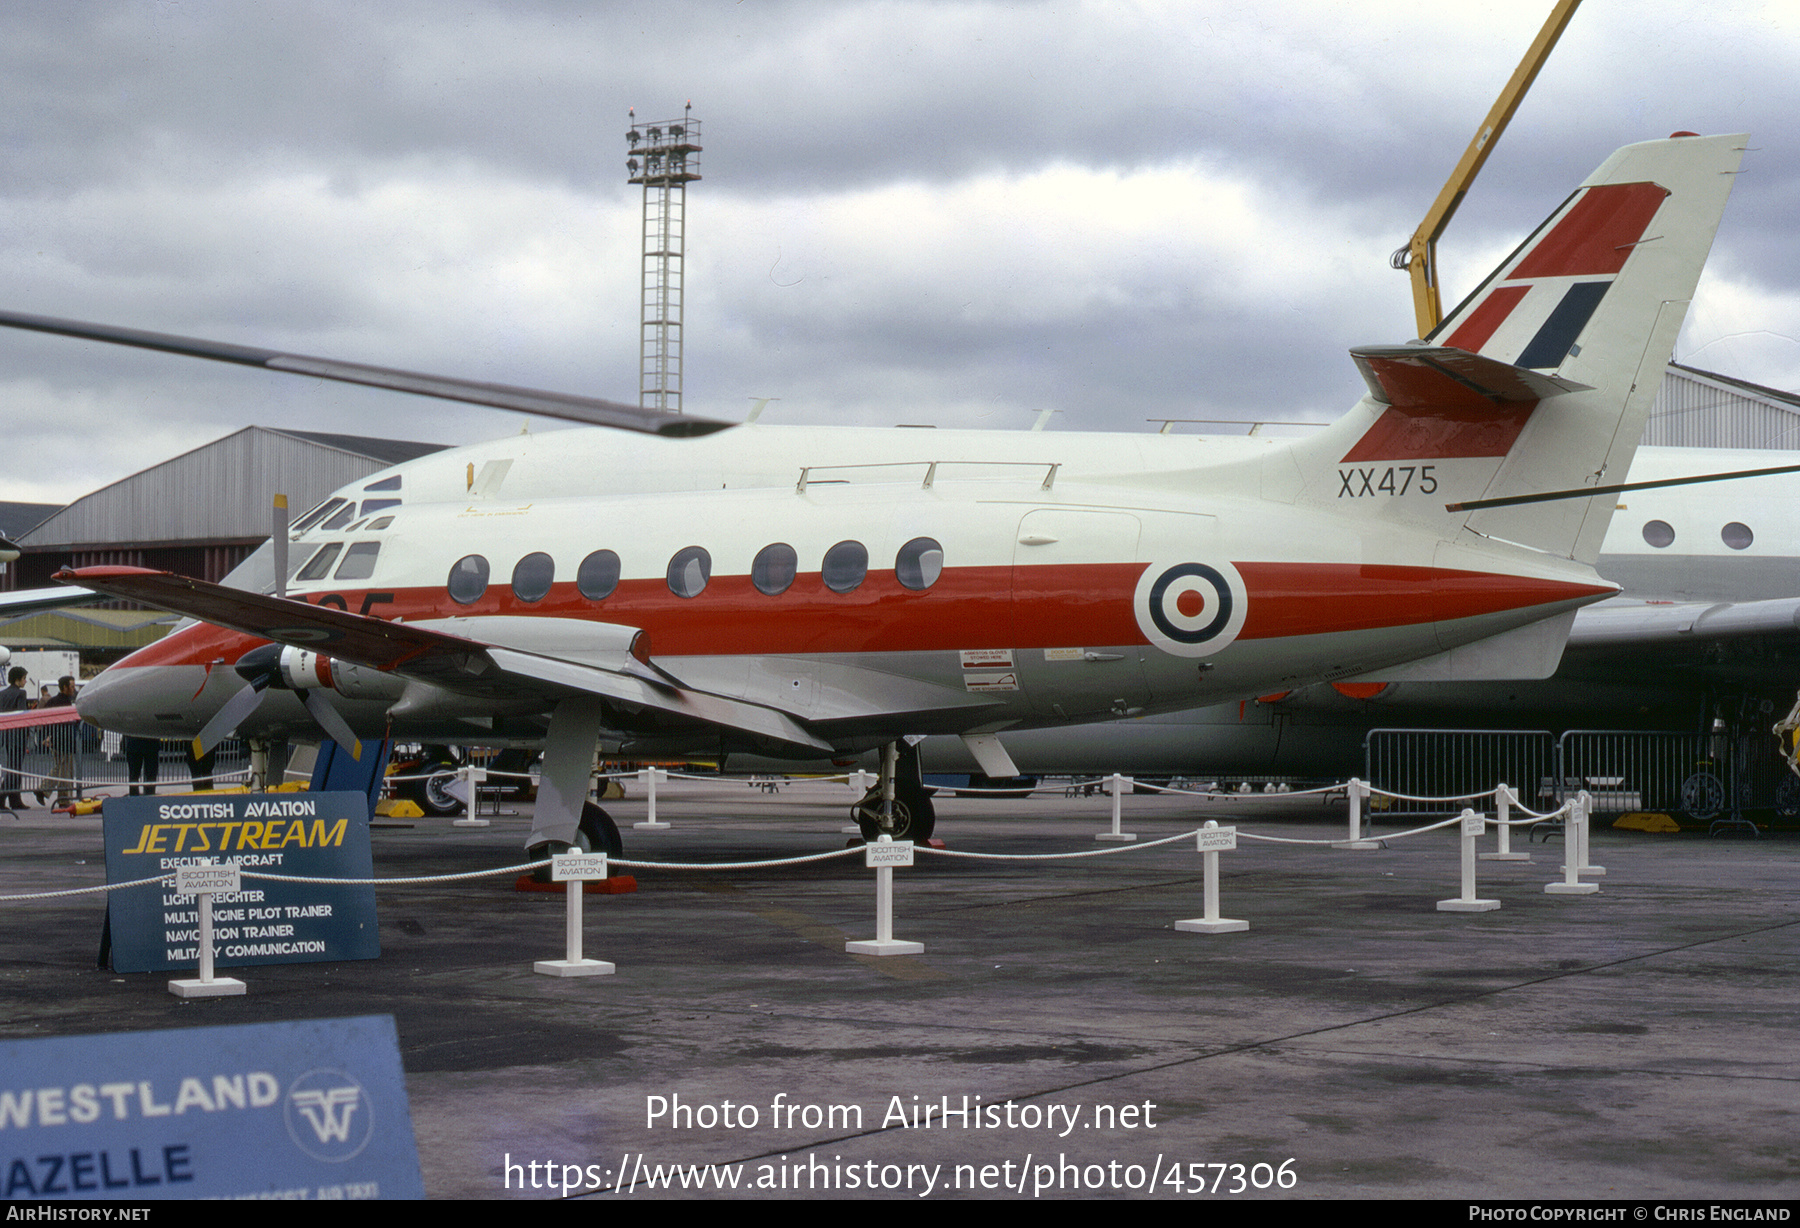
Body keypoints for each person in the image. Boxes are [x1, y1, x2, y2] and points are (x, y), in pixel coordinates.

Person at [43, 676, 78, 807]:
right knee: (64, 771)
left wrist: (47, 736)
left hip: (57, 741)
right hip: (64, 741)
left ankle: (45, 791)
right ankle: (62, 799)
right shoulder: (65, 702)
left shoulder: (53, 701)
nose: (74, 689)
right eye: (72, 686)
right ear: (65, 687)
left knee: (62, 768)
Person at [0, 667, 28, 809]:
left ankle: (15, 799)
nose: (25, 681)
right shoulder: (21, 694)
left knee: (12, 767)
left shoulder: (3, 694)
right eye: (24, 678)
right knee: (16, 768)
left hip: (6, 733)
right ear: (18, 679)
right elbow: (22, 714)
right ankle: (4, 796)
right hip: (18, 735)